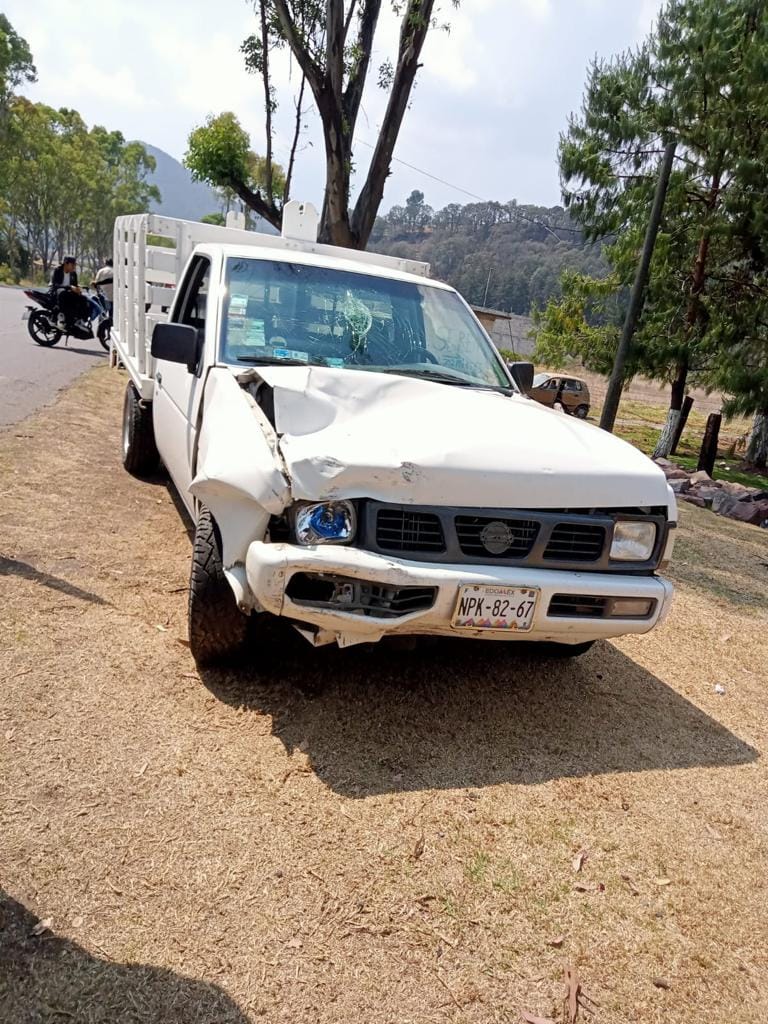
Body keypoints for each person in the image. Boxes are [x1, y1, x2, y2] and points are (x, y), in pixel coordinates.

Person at [50, 256, 90, 332]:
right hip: (58, 293)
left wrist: (80, 288)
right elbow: (55, 285)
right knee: (63, 294)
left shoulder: (73, 274)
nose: (74, 267)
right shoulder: (58, 270)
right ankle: (60, 317)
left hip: (69, 293)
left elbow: (75, 285)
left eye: (75, 265)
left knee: (84, 299)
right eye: (72, 265)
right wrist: (69, 287)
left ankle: (80, 321)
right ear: (66, 264)